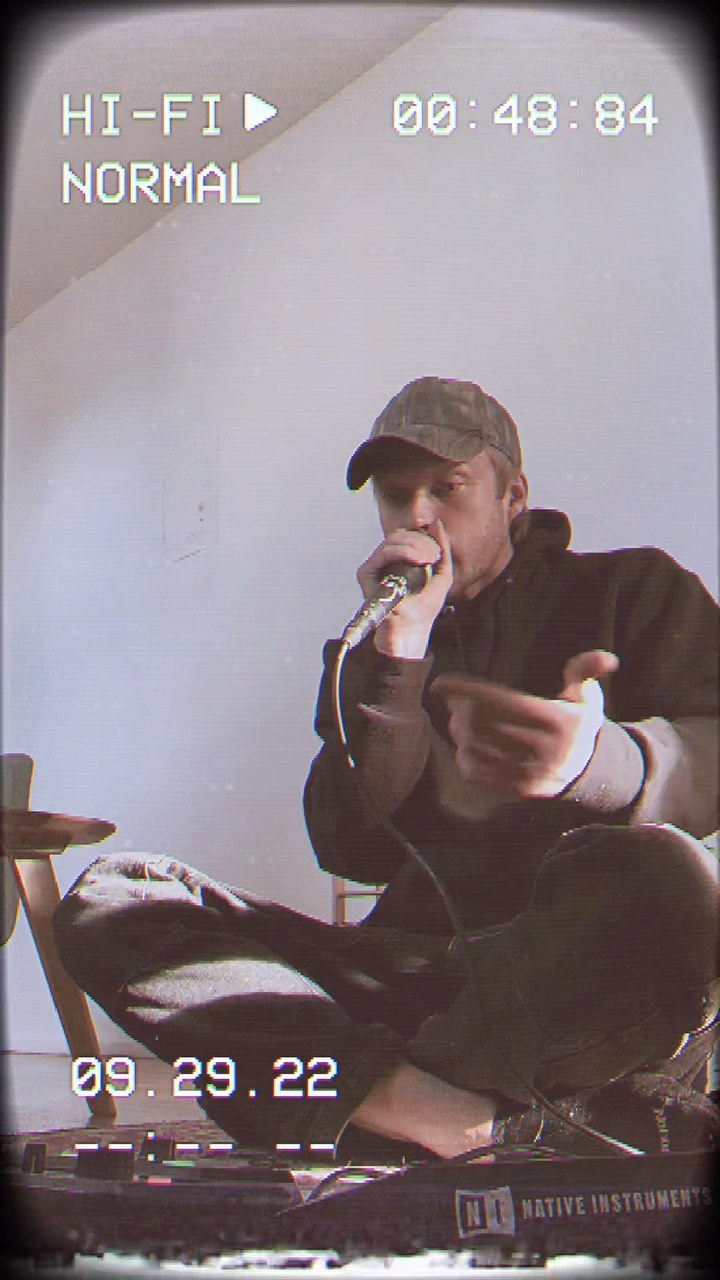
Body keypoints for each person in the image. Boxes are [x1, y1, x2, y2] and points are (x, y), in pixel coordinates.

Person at [54, 377, 720, 1162]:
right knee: (117, 896)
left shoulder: (631, 589)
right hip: (403, 976)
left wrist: (596, 761)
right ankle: (459, 1118)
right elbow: (351, 848)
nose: (420, 516)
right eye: (398, 496)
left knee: (675, 878)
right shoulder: (371, 646)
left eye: (448, 487)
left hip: (559, 977)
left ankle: (377, 1108)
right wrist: (397, 660)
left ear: (513, 496)